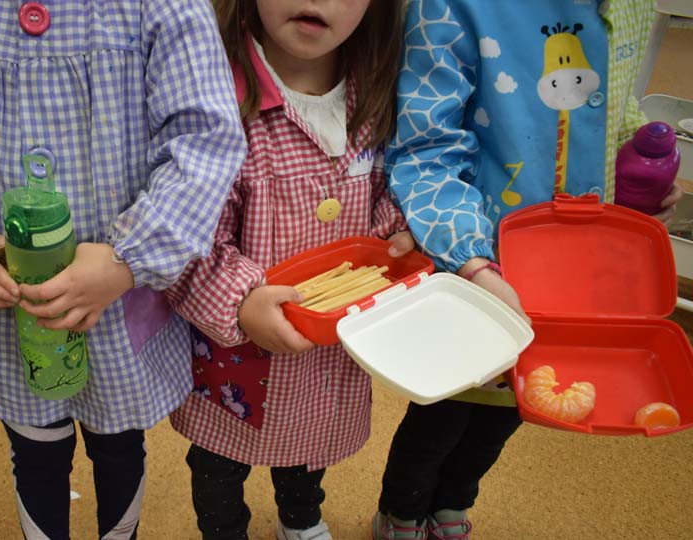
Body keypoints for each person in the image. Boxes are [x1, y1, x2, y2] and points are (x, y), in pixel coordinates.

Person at [0, 0, 247, 538]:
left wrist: (130, 256)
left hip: (120, 306)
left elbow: (204, 141)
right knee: (34, 447)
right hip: (10, 313)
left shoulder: (161, 7)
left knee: (120, 442)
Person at [375, 1, 683, 538]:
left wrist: (640, 159)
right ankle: (400, 514)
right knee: (444, 410)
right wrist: (473, 264)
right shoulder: (453, 6)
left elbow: (616, 94)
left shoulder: (630, 5)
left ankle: (452, 503)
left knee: (510, 408)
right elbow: (426, 145)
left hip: (571, 278)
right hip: (474, 257)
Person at [164, 1, 411, 538]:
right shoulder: (214, 101)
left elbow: (382, 192)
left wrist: (397, 231)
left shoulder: (374, 96)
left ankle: (300, 520)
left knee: (308, 450)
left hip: (328, 351)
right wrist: (239, 301)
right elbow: (182, 239)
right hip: (235, 361)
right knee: (217, 465)